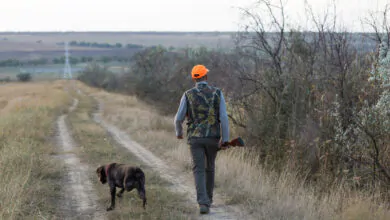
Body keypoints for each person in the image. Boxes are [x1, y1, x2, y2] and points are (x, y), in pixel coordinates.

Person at [174, 64, 230, 214]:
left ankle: (203, 203)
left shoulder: (188, 94)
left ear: (194, 78)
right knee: (210, 167)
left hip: (195, 139)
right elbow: (224, 118)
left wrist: (179, 132)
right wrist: (225, 139)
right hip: (213, 138)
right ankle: (209, 199)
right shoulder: (217, 93)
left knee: (198, 169)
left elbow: (178, 118)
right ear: (206, 76)